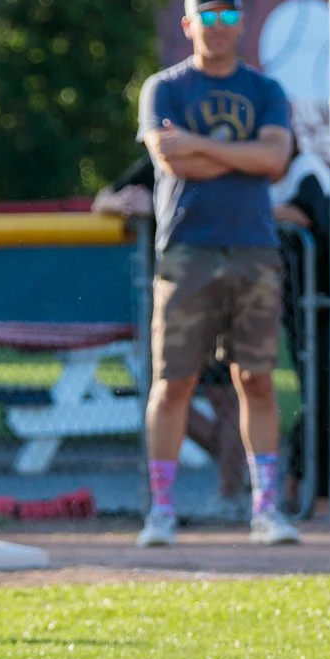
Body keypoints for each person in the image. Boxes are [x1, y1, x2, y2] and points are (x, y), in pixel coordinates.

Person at [134, 0, 300, 547]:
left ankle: (266, 509)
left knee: (256, 379)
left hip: (253, 249)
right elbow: (171, 160)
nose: (219, 26)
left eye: (230, 17)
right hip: (186, 251)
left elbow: (275, 159)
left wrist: (203, 146)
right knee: (173, 382)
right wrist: (241, 157)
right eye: (208, 17)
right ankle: (160, 512)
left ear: (242, 25)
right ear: (188, 25)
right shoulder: (164, 88)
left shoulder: (266, 89)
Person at [94, 156, 248, 521]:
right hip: (173, 295)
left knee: (226, 395)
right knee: (164, 390)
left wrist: (159, 205)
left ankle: (232, 494)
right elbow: (101, 199)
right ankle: (232, 474)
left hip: (223, 290)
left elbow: (223, 210)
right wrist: (123, 204)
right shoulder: (162, 156)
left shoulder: (226, 157)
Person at [271, 140, 330, 517]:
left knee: (323, 394)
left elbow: (318, 220)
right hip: (300, 306)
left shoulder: (306, 170)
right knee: (315, 396)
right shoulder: (261, 181)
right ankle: (297, 480)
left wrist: (279, 212)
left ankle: (320, 495)